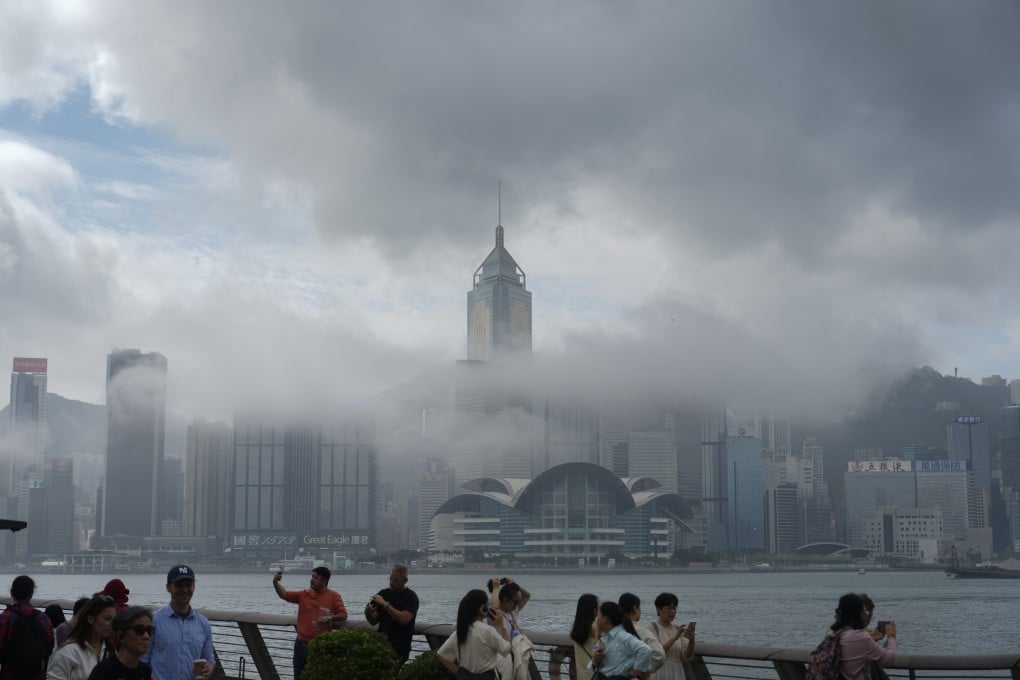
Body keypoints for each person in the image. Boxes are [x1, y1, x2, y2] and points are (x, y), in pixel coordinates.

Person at [273, 565, 348, 679]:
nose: (311, 579)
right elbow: (285, 595)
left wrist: (329, 618)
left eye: (315, 578)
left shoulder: (334, 596)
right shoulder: (304, 594)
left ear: (324, 581)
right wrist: (275, 582)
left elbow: (343, 615)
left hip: (319, 647)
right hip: (300, 645)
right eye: (312, 577)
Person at [143, 565, 214, 680]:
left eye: (188, 585)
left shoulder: (203, 623)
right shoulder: (154, 621)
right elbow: (143, 659)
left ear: (194, 587)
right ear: (168, 587)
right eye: (179, 585)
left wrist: (209, 668)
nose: (184, 590)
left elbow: (209, 659)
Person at [437, 589, 510, 679]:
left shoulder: (459, 632)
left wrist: (459, 674)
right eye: (487, 605)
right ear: (483, 609)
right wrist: (502, 625)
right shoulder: (487, 631)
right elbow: (507, 649)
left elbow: (442, 655)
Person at [47, 594, 116, 680]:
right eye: (107, 619)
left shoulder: (111, 651)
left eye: (114, 620)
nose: (112, 624)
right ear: (90, 619)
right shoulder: (68, 652)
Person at [830, 593, 897, 680]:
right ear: (858, 614)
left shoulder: (833, 634)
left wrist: (871, 637)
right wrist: (891, 636)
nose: (866, 615)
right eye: (864, 612)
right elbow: (888, 660)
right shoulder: (861, 637)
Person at [0, 574, 54, 680]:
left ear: (11, 593)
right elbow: (50, 646)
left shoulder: (6, 617)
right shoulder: (43, 618)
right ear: (31, 594)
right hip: (38, 675)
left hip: (10, 674)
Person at [364, 564, 419, 665]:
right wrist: (367, 612)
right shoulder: (383, 594)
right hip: (381, 644)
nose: (392, 583)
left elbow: (404, 620)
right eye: (391, 579)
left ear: (405, 580)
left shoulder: (411, 597)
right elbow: (373, 621)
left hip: (400, 647)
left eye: (396, 580)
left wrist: (385, 604)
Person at [87, 607, 154, 680]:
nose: (146, 636)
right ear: (121, 636)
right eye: (139, 630)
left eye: (149, 630)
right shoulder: (104, 671)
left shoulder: (145, 671)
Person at [590, 601, 652, 680]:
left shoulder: (622, 636)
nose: (596, 621)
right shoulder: (605, 638)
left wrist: (636, 669)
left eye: (598, 617)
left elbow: (645, 650)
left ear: (605, 619)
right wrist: (595, 660)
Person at [648, 593, 695, 680]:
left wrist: (692, 640)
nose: (672, 611)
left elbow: (686, 657)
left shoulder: (678, 628)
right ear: (659, 609)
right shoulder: (652, 627)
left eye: (674, 608)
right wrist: (675, 637)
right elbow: (657, 653)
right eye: (668, 608)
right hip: (659, 672)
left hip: (677, 672)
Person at [618, 593, 665, 677]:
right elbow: (659, 655)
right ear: (635, 608)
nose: (640, 610)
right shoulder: (640, 631)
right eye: (639, 608)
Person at [567, 594, 599, 680]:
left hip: (581, 676)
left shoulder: (575, 629)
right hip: (594, 675)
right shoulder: (596, 629)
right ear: (593, 610)